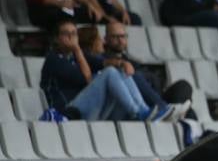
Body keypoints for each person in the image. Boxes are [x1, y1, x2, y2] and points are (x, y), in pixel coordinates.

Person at [40, 19, 187, 123]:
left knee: (119, 70)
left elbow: (101, 62)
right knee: (110, 73)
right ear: (56, 39)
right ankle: (140, 113)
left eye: (74, 33)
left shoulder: (78, 56)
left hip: (91, 110)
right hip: (70, 113)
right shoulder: (53, 59)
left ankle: (144, 111)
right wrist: (77, 49)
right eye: (66, 33)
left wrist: (122, 63)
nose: (71, 37)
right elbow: (85, 79)